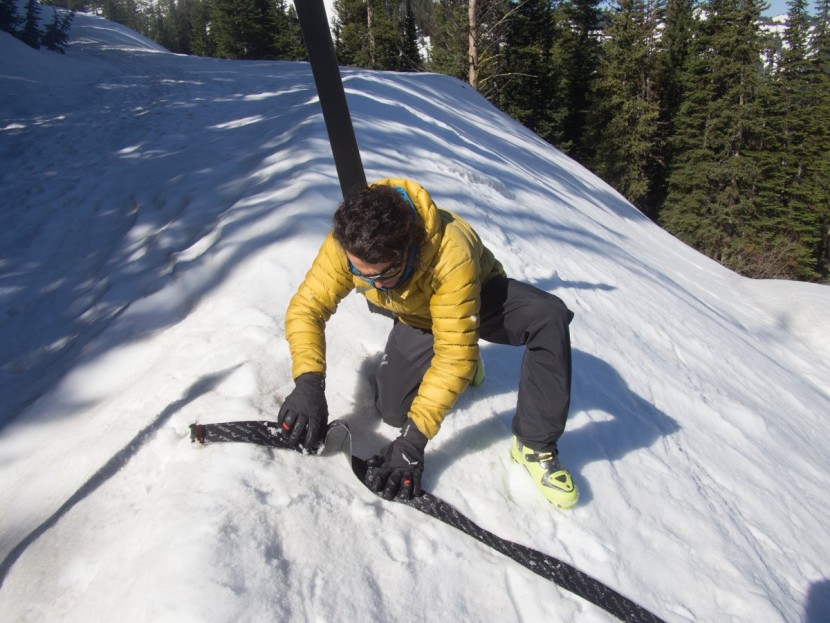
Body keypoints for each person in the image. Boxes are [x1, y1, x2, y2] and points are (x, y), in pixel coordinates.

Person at [278, 178, 578, 509]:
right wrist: (308, 381)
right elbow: (306, 309)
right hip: (419, 317)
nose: (364, 282)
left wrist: (413, 442)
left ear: (407, 252)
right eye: (356, 271)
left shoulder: (450, 254)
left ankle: (535, 444)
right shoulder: (351, 239)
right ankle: (460, 344)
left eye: (378, 277)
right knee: (394, 412)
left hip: (478, 296)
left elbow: (452, 358)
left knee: (547, 317)